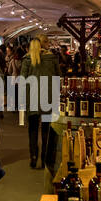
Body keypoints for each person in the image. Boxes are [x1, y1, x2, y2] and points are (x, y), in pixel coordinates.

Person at [20, 36, 61, 170]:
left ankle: (33, 157)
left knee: (32, 130)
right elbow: (58, 78)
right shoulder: (52, 59)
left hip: (31, 99)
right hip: (48, 99)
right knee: (46, 130)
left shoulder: (27, 60)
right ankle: (44, 159)